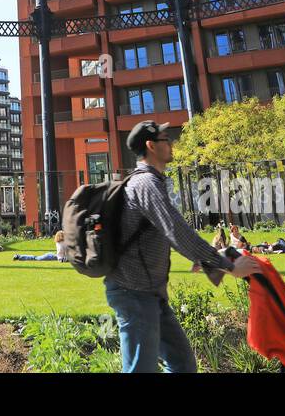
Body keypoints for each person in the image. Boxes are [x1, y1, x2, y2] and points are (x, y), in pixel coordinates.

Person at [106, 120, 260, 373]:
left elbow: (168, 234)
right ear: (151, 146)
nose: (171, 143)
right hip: (132, 293)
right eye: (166, 139)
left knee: (182, 364)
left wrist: (203, 258)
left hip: (150, 293)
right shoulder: (146, 184)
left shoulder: (150, 182)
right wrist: (227, 265)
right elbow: (176, 230)